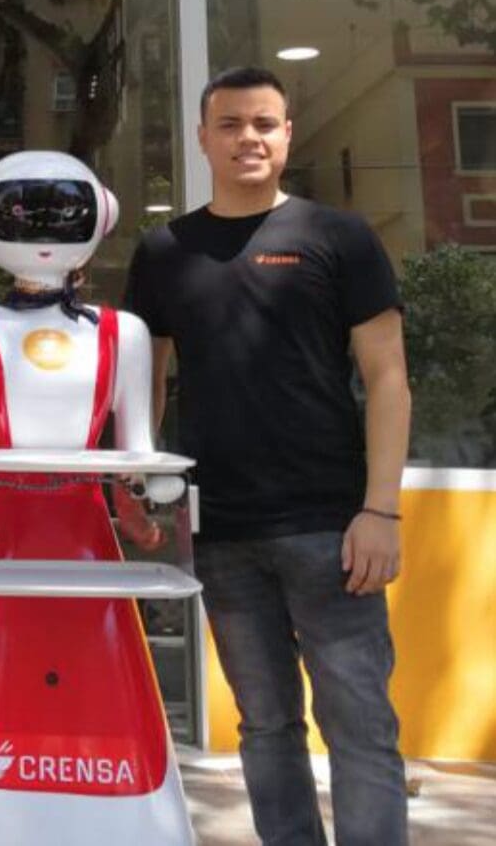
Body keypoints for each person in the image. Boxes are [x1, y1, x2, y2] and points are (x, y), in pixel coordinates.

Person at [124, 66, 411, 845]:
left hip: (333, 530)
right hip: (221, 532)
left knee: (360, 727)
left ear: (286, 135)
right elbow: (142, 382)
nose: (247, 138)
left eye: (263, 124)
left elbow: (389, 379)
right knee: (266, 726)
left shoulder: (338, 237)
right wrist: (140, 483)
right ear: (202, 138)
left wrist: (381, 510)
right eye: (230, 124)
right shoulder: (164, 251)